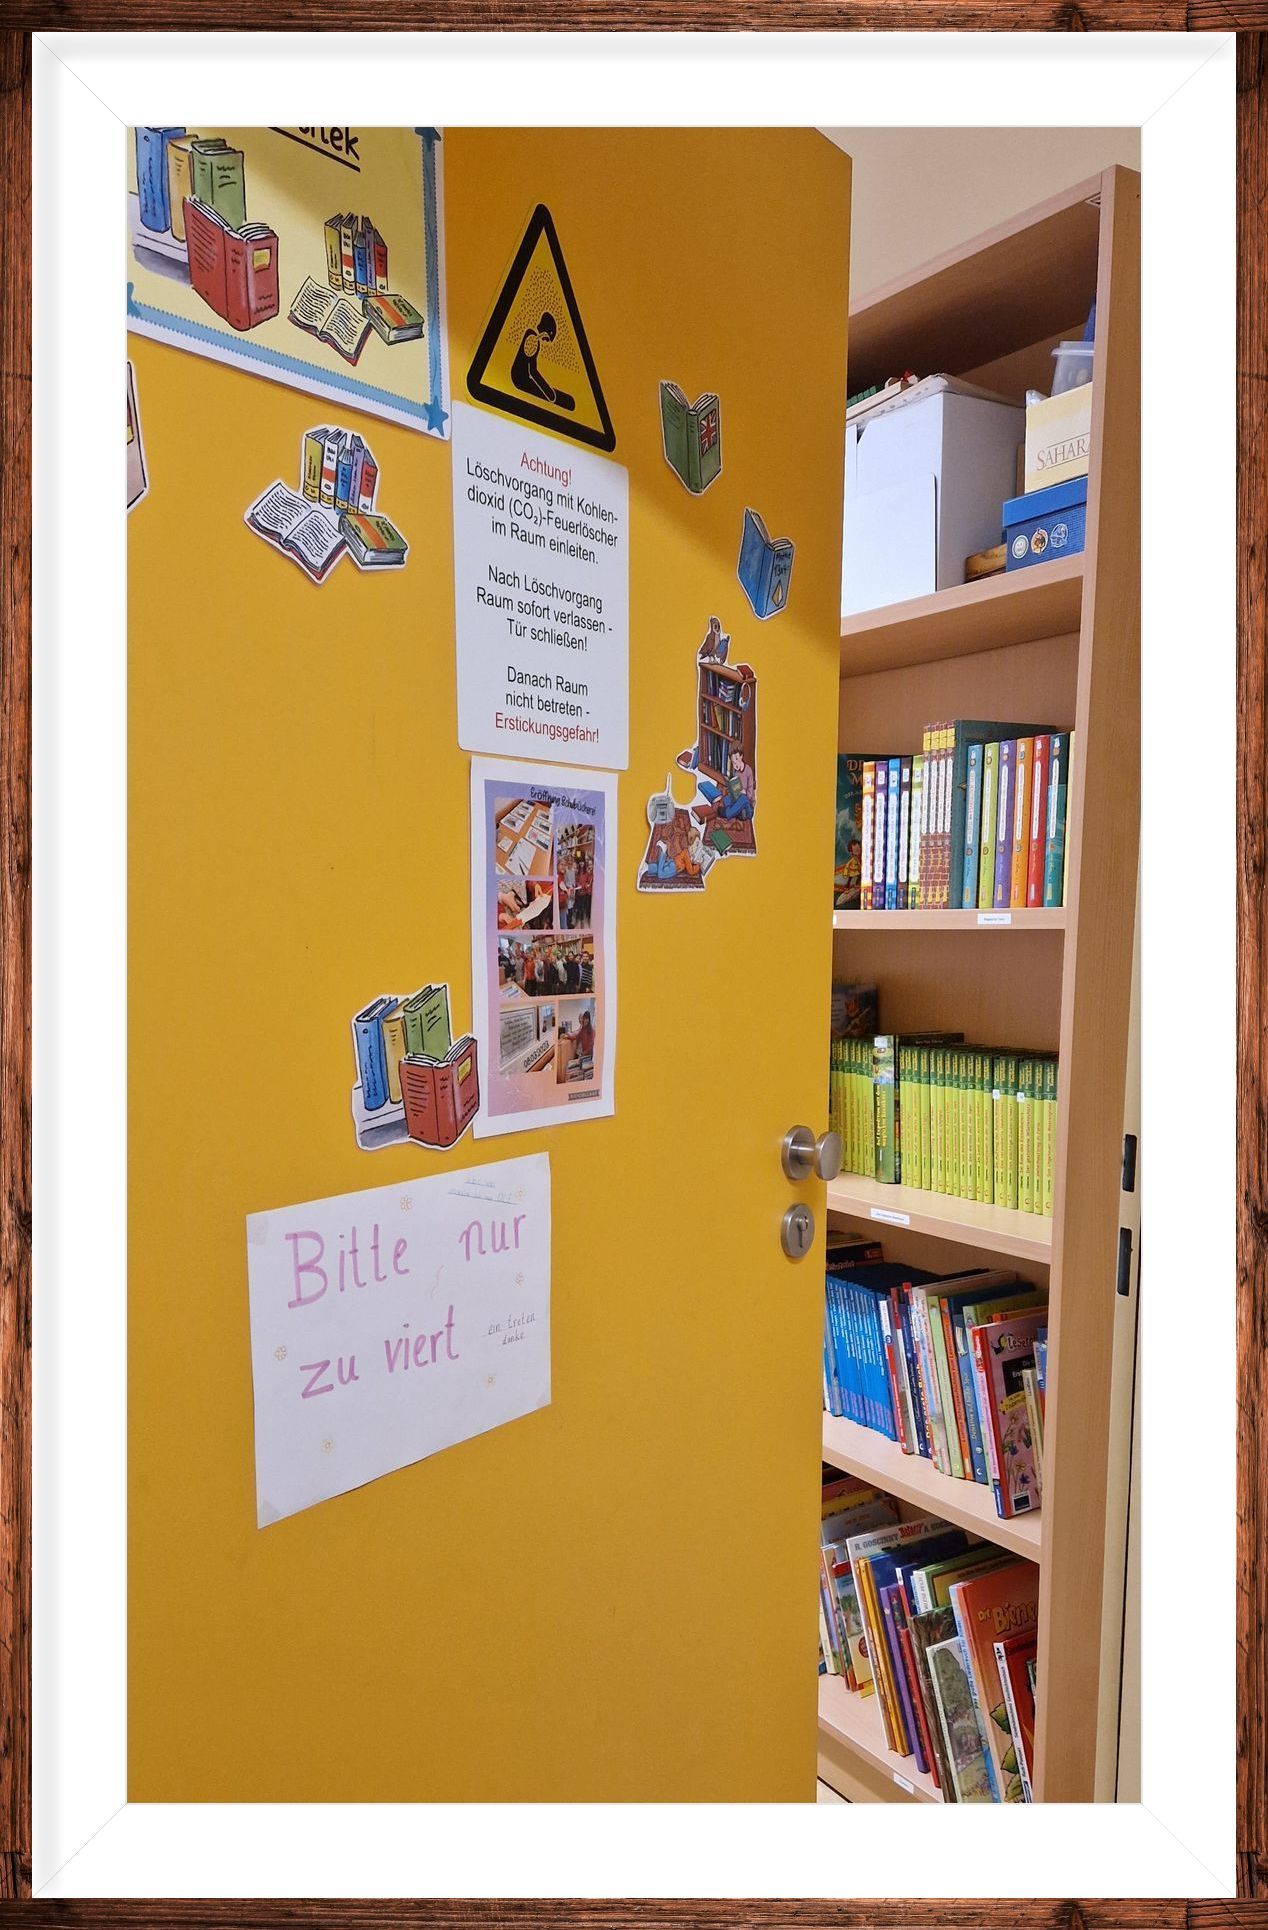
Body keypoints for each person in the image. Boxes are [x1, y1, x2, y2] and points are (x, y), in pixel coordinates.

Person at [511, 312, 575, 411]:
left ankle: (566, 401)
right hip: (521, 380)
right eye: (548, 338)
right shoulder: (533, 340)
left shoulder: (530, 334)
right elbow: (532, 371)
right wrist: (550, 394)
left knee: (554, 396)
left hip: (519, 378)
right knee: (559, 400)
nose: (546, 341)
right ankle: (568, 403)